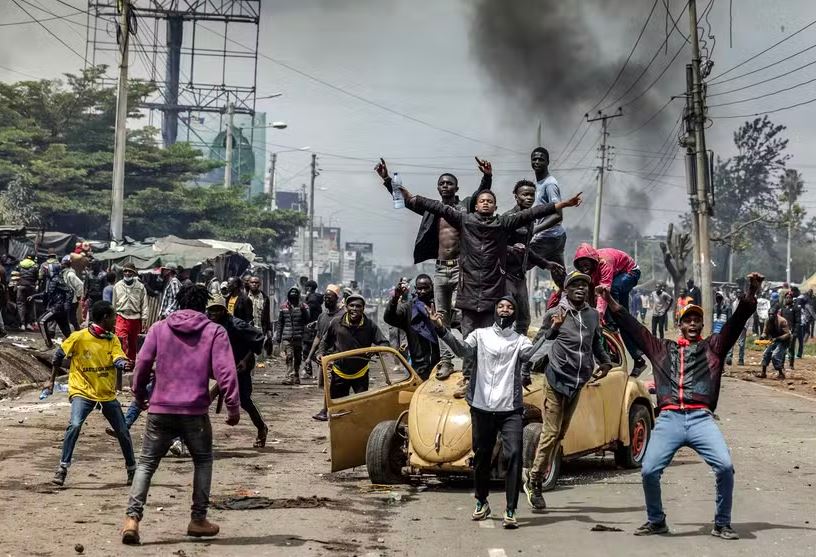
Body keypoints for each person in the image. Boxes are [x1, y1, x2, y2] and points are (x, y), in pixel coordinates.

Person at [599, 272, 763, 540]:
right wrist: (610, 301)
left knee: (724, 467)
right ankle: (656, 521)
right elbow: (632, 327)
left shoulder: (714, 348)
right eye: (688, 319)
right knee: (649, 470)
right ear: (679, 324)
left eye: (697, 319)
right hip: (669, 420)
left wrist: (751, 293)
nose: (694, 323)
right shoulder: (661, 349)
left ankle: (722, 523)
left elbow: (736, 322)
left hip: (701, 418)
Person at [397, 184, 582, 397]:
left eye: (490, 201)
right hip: (468, 292)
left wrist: (563, 204)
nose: (486, 202)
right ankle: (468, 379)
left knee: (490, 342)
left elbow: (532, 213)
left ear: (495, 207)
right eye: (482, 200)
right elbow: (439, 207)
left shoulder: (503, 223)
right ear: (475, 205)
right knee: (468, 341)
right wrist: (412, 197)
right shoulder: (464, 220)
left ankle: (488, 381)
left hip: (492, 293)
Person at [121, 285, 240, 545]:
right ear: (204, 306)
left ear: (178, 301)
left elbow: (142, 364)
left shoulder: (159, 328)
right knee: (203, 461)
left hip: (160, 408)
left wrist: (139, 395)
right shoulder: (214, 331)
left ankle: (132, 519)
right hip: (194, 411)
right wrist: (233, 407)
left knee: (146, 464)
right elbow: (226, 372)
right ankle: (198, 519)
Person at [429, 295, 547, 530]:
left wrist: (551, 330)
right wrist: (441, 329)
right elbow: (462, 351)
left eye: (509, 307)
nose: (505, 310)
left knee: (513, 455)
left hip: (510, 409)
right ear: (495, 311)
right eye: (501, 306)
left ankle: (511, 508)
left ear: (514, 313)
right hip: (481, 407)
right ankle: (482, 501)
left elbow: (529, 355)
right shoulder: (479, 336)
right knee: (482, 456)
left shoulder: (519, 340)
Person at [376, 156, 493, 380]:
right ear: (438, 188)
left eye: (449, 183)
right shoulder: (433, 210)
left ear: (456, 187)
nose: (445, 186)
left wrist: (487, 176)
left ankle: (470, 362)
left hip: (461, 270)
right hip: (440, 270)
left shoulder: (466, 207)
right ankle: (446, 362)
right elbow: (408, 200)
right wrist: (386, 179)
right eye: (442, 183)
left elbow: (481, 196)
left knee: (465, 315)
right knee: (440, 317)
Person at [524, 272, 613, 510]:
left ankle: (536, 471)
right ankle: (534, 480)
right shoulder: (555, 314)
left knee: (560, 434)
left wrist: (604, 362)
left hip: (578, 382)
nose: (581, 288)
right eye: (575, 285)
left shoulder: (593, 315)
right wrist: (524, 369)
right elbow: (540, 343)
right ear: (566, 290)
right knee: (551, 433)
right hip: (555, 380)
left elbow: (596, 343)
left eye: (585, 284)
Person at [49, 301, 136, 487]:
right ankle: (62, 468)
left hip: (105, 392)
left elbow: (118, 357)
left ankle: (132, 470)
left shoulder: (112, 339)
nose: (115, 320)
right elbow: (57, 356)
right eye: (114, 317)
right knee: (74, 425)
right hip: (82, 391)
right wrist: (51, 381)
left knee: (122, 431)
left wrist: (124, 364)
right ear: (105, 318)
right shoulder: (79, 337)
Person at [573, 243, 647, 375]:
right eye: (581, 266)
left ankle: (611, 322)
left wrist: (599, 315)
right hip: (616, 278)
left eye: (587, 265)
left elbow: (604, 292)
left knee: (611, 292)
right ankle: (638, 360)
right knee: (623, 321)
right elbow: (591, 294)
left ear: (593, 262)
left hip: (630, 273)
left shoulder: (604, 263)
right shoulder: (588, 272)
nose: (584, 269)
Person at [503, 180, 565, 335]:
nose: (529, 198)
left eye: (532, 194)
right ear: (516, 197)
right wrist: (511, 248)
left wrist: (546, 264)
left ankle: (519, 354)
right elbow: (494, 245)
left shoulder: (530, 220)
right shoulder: (509, 218)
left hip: (520, 276)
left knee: (523, 320)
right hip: (505, 276)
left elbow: (526, 250)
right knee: (505, 316)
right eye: (525, 194)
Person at [206, 296, 268, 447]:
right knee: (202, 401)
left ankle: (261, 428)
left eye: (215, 310)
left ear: (223, 310)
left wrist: (245, 360)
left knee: (245, 400)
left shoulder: (236, 324)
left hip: (238, 368)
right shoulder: (208, 324)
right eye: (210, 310)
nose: (212, 314)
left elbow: (258, 337)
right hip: (217, 369)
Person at [318, 293, 389, 399]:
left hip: (361, 373)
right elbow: (325, 341)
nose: (354, 309)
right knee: (337, 406)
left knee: (361, 406)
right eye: (352, 306)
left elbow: (384, 343)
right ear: (346, 307)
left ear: (363, 308)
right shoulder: (336, 322)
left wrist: (375, 350)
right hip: (339, 372)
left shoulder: (369, 325)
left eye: (358, 306)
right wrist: (320, 353)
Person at [384, 274, 440, 381]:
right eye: (420, 288)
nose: (422, 291)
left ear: (432, 287)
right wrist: (395, 298)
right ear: (415, 289)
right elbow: (389, 318)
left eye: (426, 288)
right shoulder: (408, 308)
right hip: (418, 367)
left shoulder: (439, 306)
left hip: (438, 366)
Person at [306, 285, 345, 421]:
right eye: (325, 297)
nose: (327, 300)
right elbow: (318, 337)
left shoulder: (342, 316)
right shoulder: (322, 316)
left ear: (337, 299)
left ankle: (326, 410)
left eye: (330, 297)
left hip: (336, 356)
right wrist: (310, 357)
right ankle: (333, 409)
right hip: (323, 356)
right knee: (327, 386)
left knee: (331, 385)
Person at [528, 147, 568, 281]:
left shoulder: (550, 184)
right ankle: (574, 299)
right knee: (559, 275)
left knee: (520, 263)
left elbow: (558, 215)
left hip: (548, 237)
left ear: (548, 162)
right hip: (556, 236)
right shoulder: (537, 184)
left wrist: (535, 229)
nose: (537, 162)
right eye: (534, 159)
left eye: (541, 159)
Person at [112, 263, 148, 365]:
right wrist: (113, 319)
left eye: (130, 271)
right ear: (123, 272)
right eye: (126, 271)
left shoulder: (140, 287)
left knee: (133, 344)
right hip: (121, 316)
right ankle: (122, 364)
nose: (127, 273)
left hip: (135, 318)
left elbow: (144, 304)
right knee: (121, 342)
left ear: (134, 273)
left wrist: (144, 319)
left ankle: (131, 364)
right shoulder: (117, 286)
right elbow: (113, 303)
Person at [32, 260, 73, 349]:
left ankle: (49, 345)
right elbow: (46, 294)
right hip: (58, 308)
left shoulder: (57, 279)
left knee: (42, 321)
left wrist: (67, 304)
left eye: (47, 270)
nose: (46, 271)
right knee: (66, 331)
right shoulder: (51, 280)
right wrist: (34, 296)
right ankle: (76, 348)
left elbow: (70, 291)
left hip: (57, 308)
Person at [276, 286, 310, 386]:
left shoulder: (304, 306)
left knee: (298, 357)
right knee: (289, 356)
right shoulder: (283, 307)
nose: (293, 294)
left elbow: (307, 319)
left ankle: (296, 375)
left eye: (296, 292)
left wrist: (303, 309)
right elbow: (280, 323)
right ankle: (289, 376)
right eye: (292, 292)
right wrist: (278, 337)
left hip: (298, 337)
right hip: (287, 337)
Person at [757, 305, 791, 379]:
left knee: (775, 356)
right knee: (766, 354)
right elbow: (765, 332)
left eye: (772, 314)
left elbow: (788, 334)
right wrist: (762, 337)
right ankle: (763, 373)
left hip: (783, 341)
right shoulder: (767, 320)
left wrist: (778, 338)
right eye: (770, 314)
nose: (771, 316)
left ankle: (781, 374)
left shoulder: (782, 321)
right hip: (773, 340)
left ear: (776, 314)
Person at [302, 280, 323, 378]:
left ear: (309, 288)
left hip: (310, 328)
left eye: (306, 287)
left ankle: (309, 371)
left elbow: (307, 314)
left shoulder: (311, 299)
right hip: (315, 327)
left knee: (307, 350)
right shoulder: (317, 298)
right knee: (314, 350)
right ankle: (319, 369)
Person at [14, 253, 38, 331]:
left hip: (21, 286)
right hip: (31, 287)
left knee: (21, 305)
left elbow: (15, 275)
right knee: (30, 305)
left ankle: (22, 325)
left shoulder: (19, 265)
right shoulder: (35, 266)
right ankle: (28, 324)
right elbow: (38, 277)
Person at [61, 255, 84, 331]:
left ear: (65, 264)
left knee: (71, 318)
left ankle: (77, 331)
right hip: (67, 299)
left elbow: (80, 284)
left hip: (72, 300)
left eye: (63, 263)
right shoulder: (64, 273)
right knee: (69, 317)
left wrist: (78, 296)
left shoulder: (70, 274)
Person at [780, 290, 801, 369]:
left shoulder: (796, 308)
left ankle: (791, 364)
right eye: (787, 298)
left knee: (791, 349)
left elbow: (798, 322)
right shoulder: (783, 308)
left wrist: (795, 332)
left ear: (792, 299)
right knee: (782, 349)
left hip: (791, 332)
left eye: (789, 298)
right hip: (783, 332)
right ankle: (781, 364)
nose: (788, 299)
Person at [246, 275, 272, 342]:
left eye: (256, 282)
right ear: (249, 283)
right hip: (247, 330)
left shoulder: (265, 298)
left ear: (259, 284)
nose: (254, 284)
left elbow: (267, 315)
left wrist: (269, 329)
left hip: (260, 330)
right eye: (252, 282)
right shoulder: (244, 297)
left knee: (260, 351)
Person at [726, 291, 747, 366]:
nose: (738, 294)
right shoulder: (734, 303)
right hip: (734, 325)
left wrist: (745, 326)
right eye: (737, 293)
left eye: (739, 293)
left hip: (742, 326)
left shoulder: (745, 304)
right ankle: (729, 358)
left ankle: (741, 359)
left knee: (741, 343)